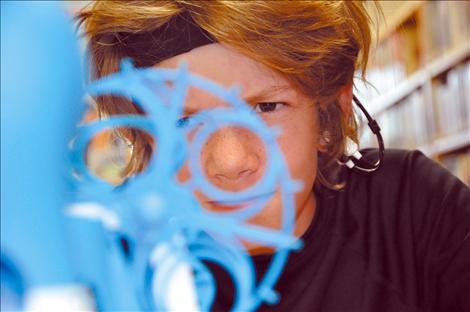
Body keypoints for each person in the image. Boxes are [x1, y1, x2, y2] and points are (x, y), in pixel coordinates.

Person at [77, 1, 470, 311]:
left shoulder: (410, 209)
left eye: (267, 108)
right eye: (183, 121)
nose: (230, 162)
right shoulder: (116, 261)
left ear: (330, 117)